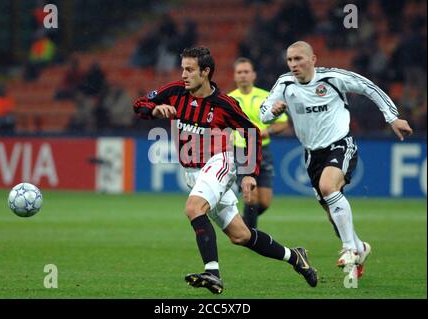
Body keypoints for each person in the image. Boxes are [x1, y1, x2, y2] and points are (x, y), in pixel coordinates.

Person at [134, 46, 318, 294]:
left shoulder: (223, 104)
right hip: (193, 173)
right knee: (240, 235)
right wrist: (154, 110)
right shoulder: (175, 92)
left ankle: (212, 273)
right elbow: (140, 104)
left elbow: (250, 132)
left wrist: (250, 171)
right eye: (183, 69)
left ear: (205, 72)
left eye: (190, 69)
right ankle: (295, 257)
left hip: (219, 162)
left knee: (193, 208)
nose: (184, 74)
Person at [260, 41, 413, 278]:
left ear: (313, 59)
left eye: (298, 59)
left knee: (328, 187)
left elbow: (368, 87)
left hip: (340, 144)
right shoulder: (284, 83)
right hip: (312, 155)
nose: (293, 65)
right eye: (290, 60)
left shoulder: (332, 78)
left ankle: (350, 249)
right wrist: (274, 112)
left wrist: (392, 118)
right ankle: (360, 247)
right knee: (333, 216)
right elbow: (264, 114)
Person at [228, 57, 289, 228]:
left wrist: (267, 131)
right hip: (242, 151)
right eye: (239, 72)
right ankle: (252, 238)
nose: (243, 76)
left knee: (265, 201)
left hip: (263, 150)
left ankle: (241, 224)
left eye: (246, 72)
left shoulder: (266, 97)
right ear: (234, 76)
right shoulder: (228, 100)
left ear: (253, 75)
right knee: (251, 197)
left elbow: (283, 123)